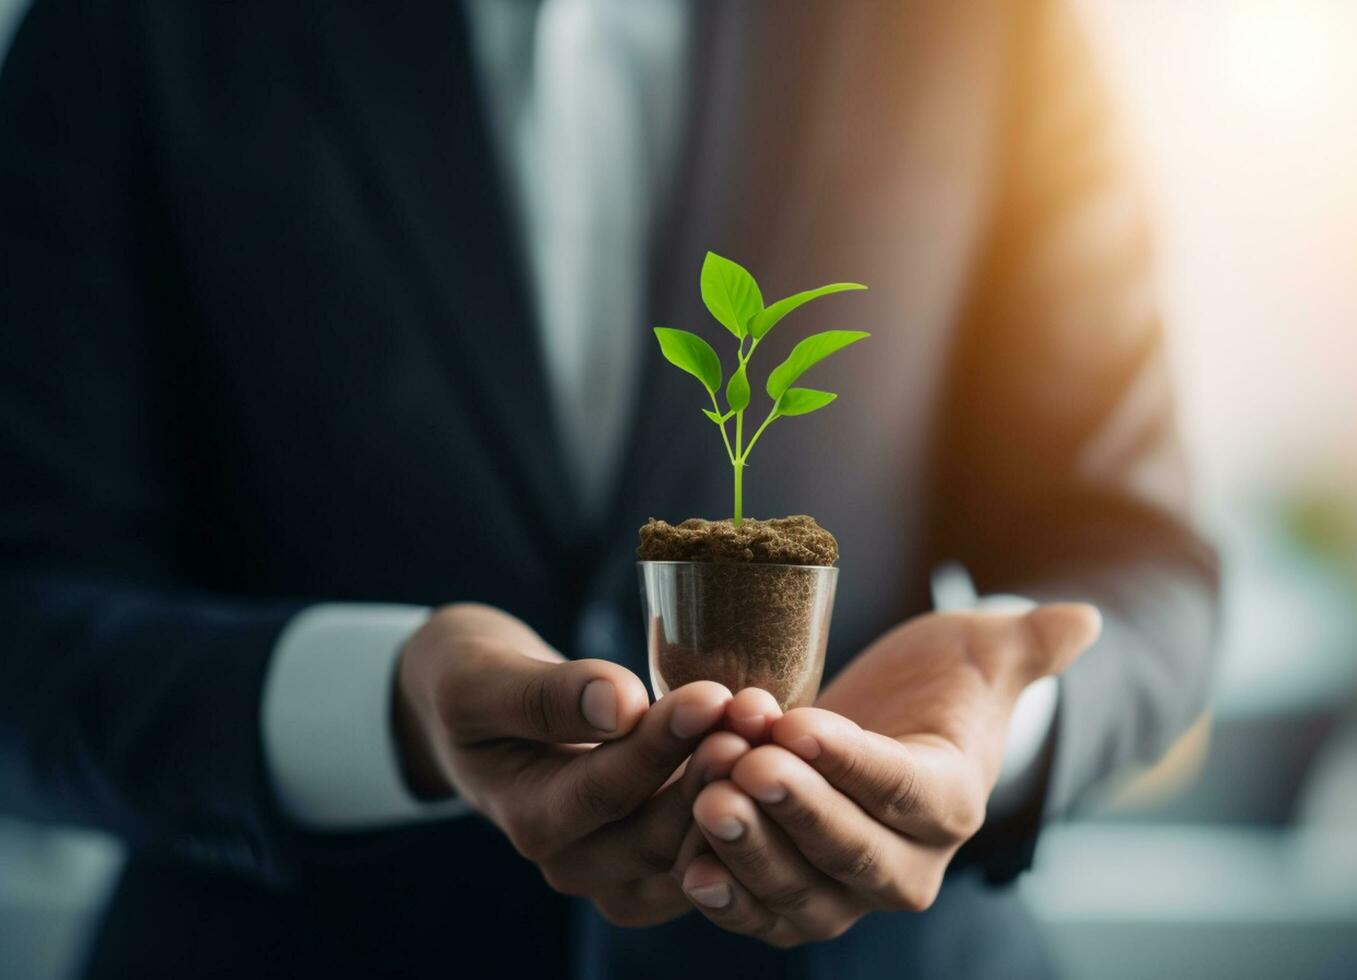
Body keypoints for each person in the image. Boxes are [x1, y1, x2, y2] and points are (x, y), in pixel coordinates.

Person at [0, 1, 1218, 977]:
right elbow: (26, 605)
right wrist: (381, 707)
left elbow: (1137, 557)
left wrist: (996, 721)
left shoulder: (985, 24)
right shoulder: (133, 23)